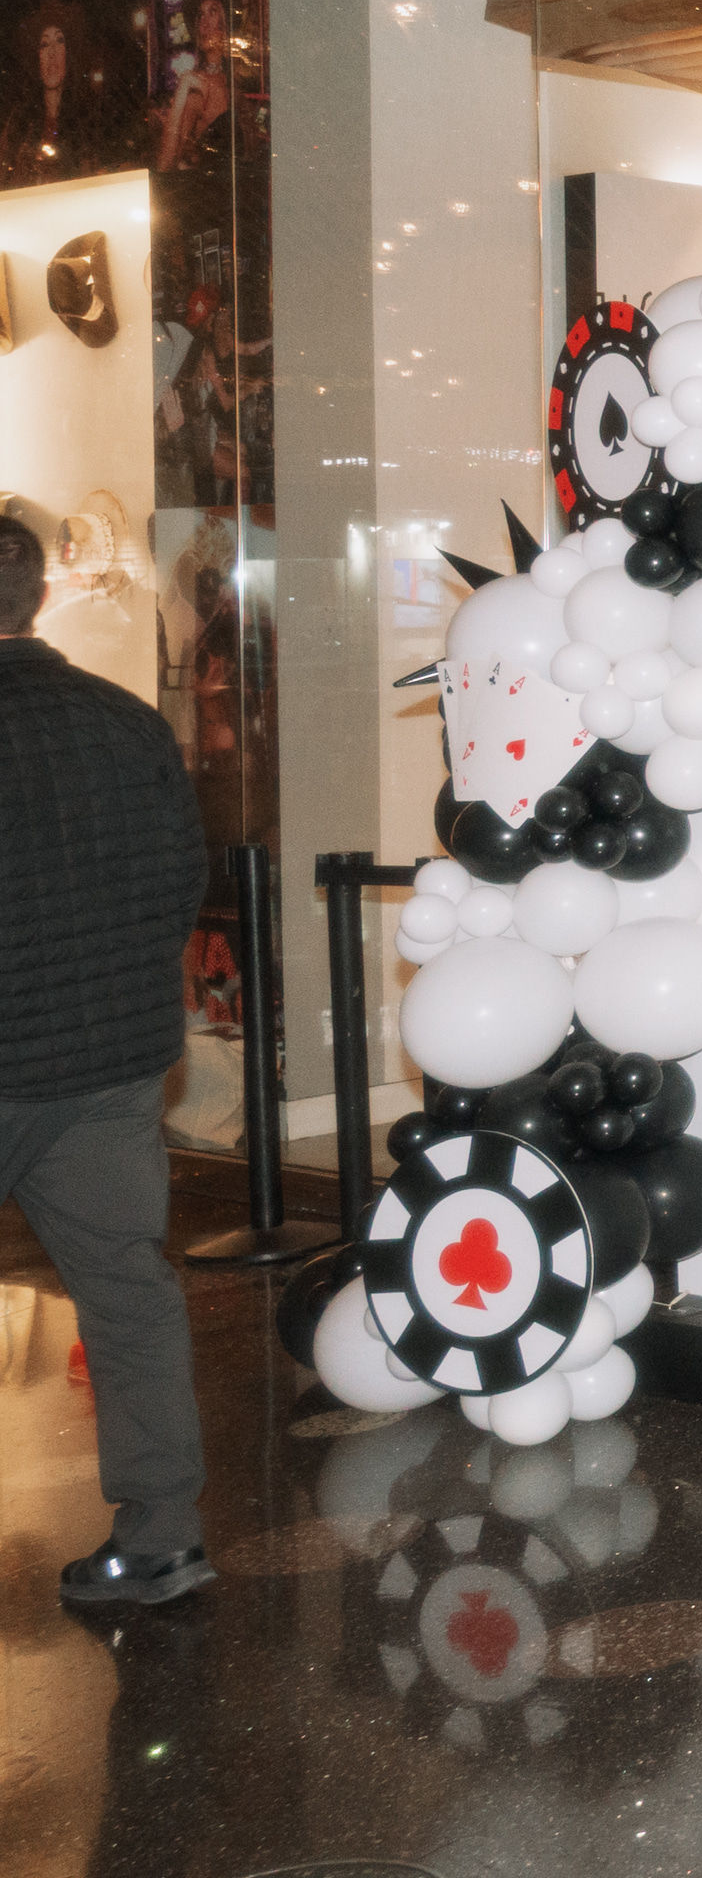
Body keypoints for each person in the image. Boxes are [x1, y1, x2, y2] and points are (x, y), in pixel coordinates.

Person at [0, 514, 216, 1604]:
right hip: (111, 1062)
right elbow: (181, 879)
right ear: (32, 596)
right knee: (129, 1292)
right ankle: (163, 1532)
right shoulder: (125, 721)